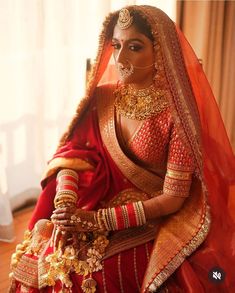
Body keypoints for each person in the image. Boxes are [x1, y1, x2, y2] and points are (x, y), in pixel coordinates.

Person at [9, 5, 235, 293]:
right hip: (96, 199)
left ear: (161, 52)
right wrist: (66, 203)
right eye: (116, 45)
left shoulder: (176, 114)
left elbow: (173, 198)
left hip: (151, 219)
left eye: (135, 47)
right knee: (48, 251)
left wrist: (97, 220)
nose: (121, 57)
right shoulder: (104, 98)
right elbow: (74, 153)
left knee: (97, 274)